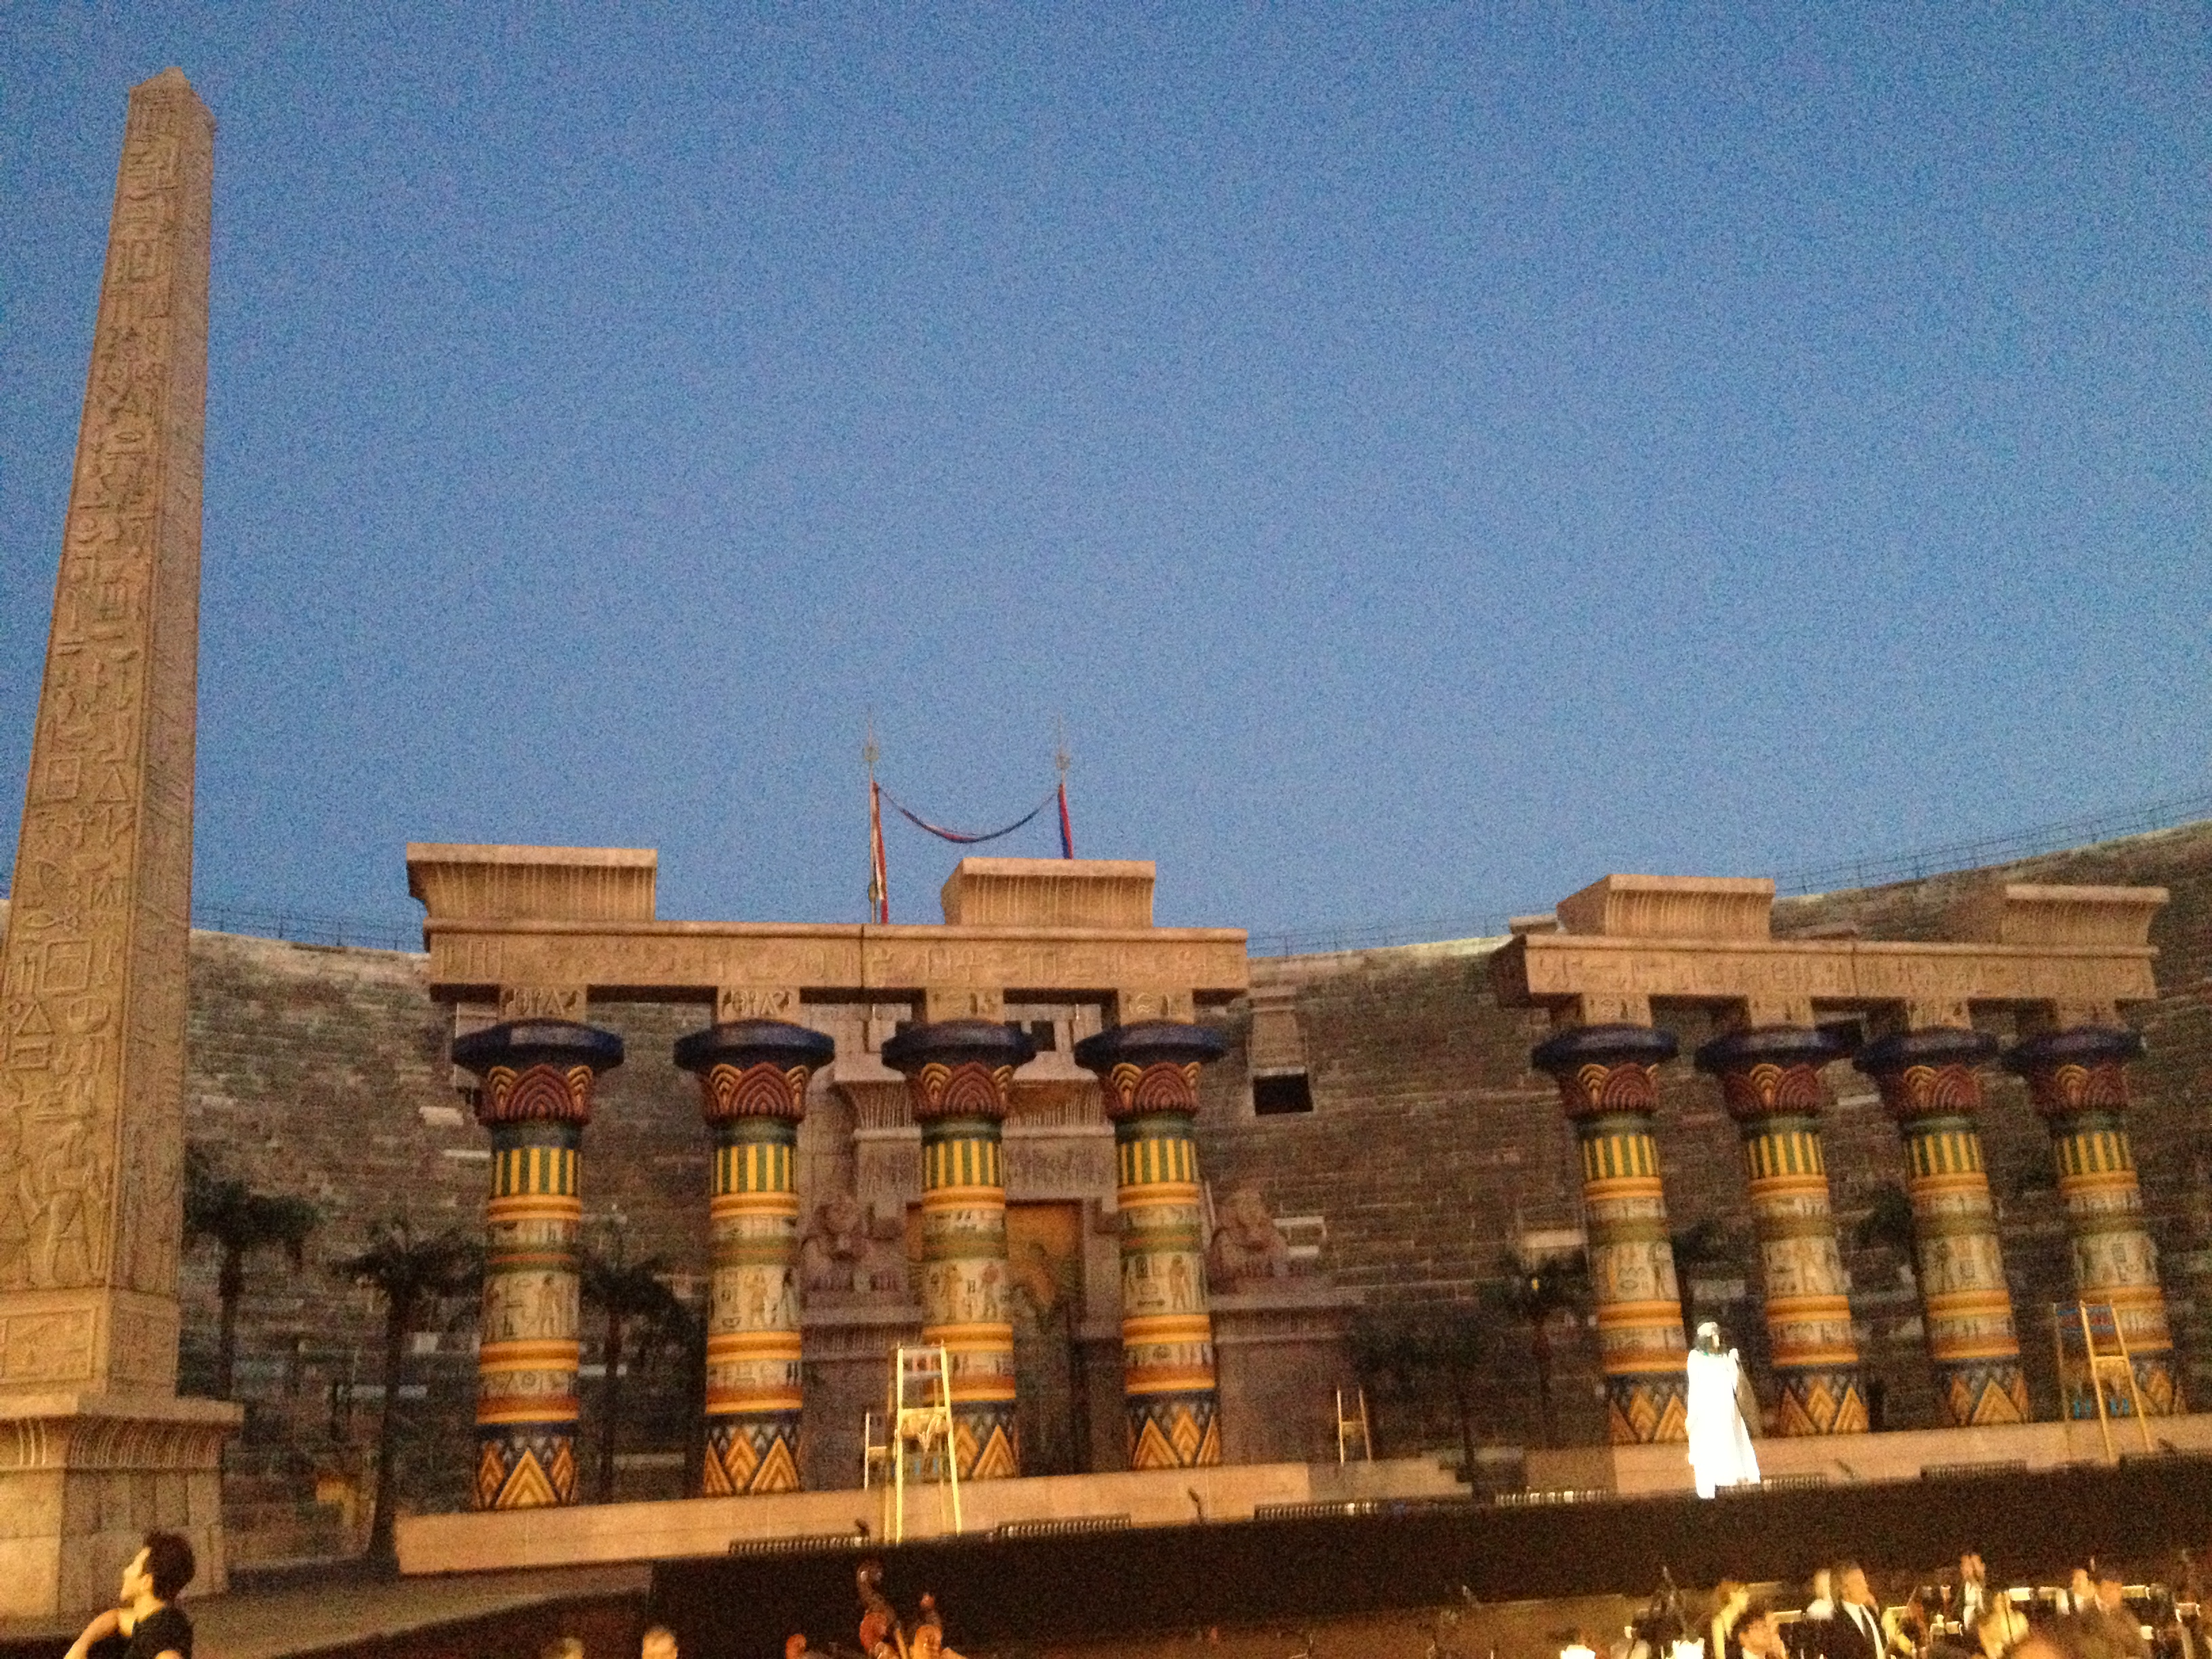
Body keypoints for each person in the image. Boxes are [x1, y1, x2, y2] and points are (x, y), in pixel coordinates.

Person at [64, 1532, 196, 1659]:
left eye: (133, 1566)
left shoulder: (159, 1636)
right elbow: (117, 1617)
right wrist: (80, 1647)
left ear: (146, 1582)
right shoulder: (162, 1620)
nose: (126, 1572)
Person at [1685, 1322, 1759, 1498]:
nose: (1717, 1338)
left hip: (1728, 1408)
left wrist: (1735, 1363)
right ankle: (1718, 1479)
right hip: (1709, 1409)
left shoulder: (1725, 1356)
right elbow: (1696, 1386)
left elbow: (1737, 1383)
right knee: (1715, 1442)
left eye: (1717, 1334)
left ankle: (1736, 1475)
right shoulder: (1696, 1358)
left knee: (1732, 1439)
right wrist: (1693, 1415)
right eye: (1713, 1335)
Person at [1825, 1563, 1885, 1659]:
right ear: (1844, 1589)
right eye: (1858, 1582)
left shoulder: (1871, 1611)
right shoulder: (1836, 1623)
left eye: (1864, 1581)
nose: (1865, 1586)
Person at [1711, 1583, 1753, 1659]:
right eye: (1743, 1592)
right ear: (1732, 1595)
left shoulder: (1745, 1618)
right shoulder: (1719, 1622)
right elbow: (1720, 1657)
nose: (1747, 1596)